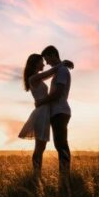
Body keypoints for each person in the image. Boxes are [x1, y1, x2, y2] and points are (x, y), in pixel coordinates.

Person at [18, 53, 74, 174]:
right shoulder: (33, 78)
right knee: (39, 148)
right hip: (41, 114)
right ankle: (36, 174)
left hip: (44, 113)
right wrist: (63, 63)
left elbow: (52, 73)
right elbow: (51, 72)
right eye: (41, 62)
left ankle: (37, 174)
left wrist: (62, 66)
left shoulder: (37, 77)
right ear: (35, 63)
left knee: (41, 147)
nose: (44, 64)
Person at [35, 45, 72, 179]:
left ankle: (65, 176)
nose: (46, 63)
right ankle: (64, 175)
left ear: (52, 55)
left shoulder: (61, 71)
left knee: (61, 145)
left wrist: (42, 101)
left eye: (47, 59)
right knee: (59, 144)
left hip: (60, 112)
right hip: (57, 112)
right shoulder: (59, 70)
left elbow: (58, 93)